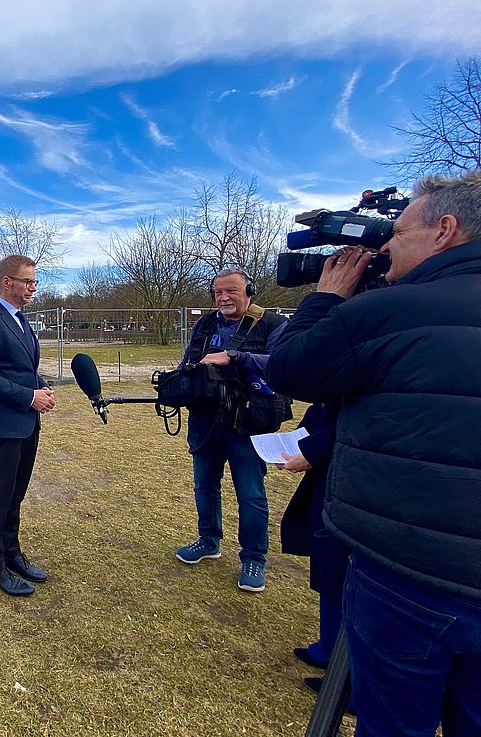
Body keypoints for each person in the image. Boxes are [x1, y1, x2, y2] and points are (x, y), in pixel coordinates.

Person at [266, 171, 481, 736]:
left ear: (444, 231)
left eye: (398, 232)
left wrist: (325, 300)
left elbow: (290, 368)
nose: (384, 248)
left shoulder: (392, 311)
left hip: (411, 576)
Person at [174, 269, 288, 593]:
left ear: (249, 291)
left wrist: (235, 357)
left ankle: (254, 557)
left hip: (248, 424)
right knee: (204, 486)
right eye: (218, 292)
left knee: (250, 493)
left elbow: (280, 365)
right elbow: (189, 363)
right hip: (206, 421)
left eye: (231, 292)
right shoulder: (205, 324)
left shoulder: (272, 323)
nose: (223, 298)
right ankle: (208, 540)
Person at [0, 255, 55, 597]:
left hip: (27, 423)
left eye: (35, 282)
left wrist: (41, 386)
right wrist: (28, 397)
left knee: (16, 495)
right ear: (7, 282)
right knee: (1, 495)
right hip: (5, 424)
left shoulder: (21, 321)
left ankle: (12, 554)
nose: (33, 288)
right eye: (28, 282)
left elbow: (20, 368)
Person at [276, 402, 351, 693]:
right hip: (330, 474)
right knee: (329, 563)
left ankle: (351, 681)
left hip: (356, 478)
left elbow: (360, 424)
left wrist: (313, 450)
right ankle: (328, 648)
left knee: (353, 577)